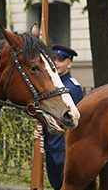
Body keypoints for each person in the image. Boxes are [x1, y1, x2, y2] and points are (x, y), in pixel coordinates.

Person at [34, 44, 84, 190]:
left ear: (70, 63)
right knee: (55, 183)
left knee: (66, 184)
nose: (55, 62)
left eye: (60, 60)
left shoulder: (72, 87)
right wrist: (41, 130)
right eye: (54, 59)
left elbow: (74, 119)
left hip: (64, 146)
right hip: (51, 145)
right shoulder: (49, 85)